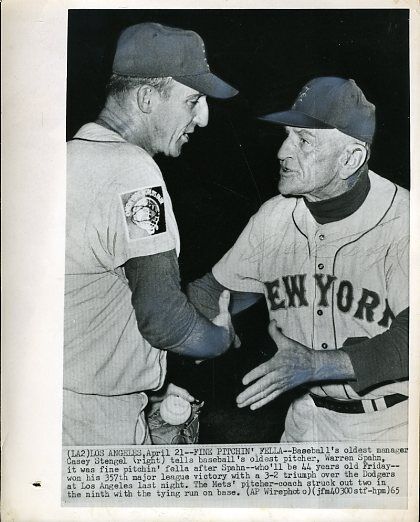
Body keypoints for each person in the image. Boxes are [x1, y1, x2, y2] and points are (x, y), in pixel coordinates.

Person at [188, 77, 409, 442]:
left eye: (304, 141)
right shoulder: (274, 217)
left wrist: (315, 365)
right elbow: (217, 292)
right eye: (288, 135)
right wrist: (173, 353)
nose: (283, 152)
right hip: (305, 420)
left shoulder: (404, 220)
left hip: (389, 426)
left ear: (350, 158)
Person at [64, 22, 239, 445]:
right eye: (193, 101)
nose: (203, 118)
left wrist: (151, 382)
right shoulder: (132, 171)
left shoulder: (67, 158)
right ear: (146, 98)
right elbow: (163, 319)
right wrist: (220, 338)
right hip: (95, 422)